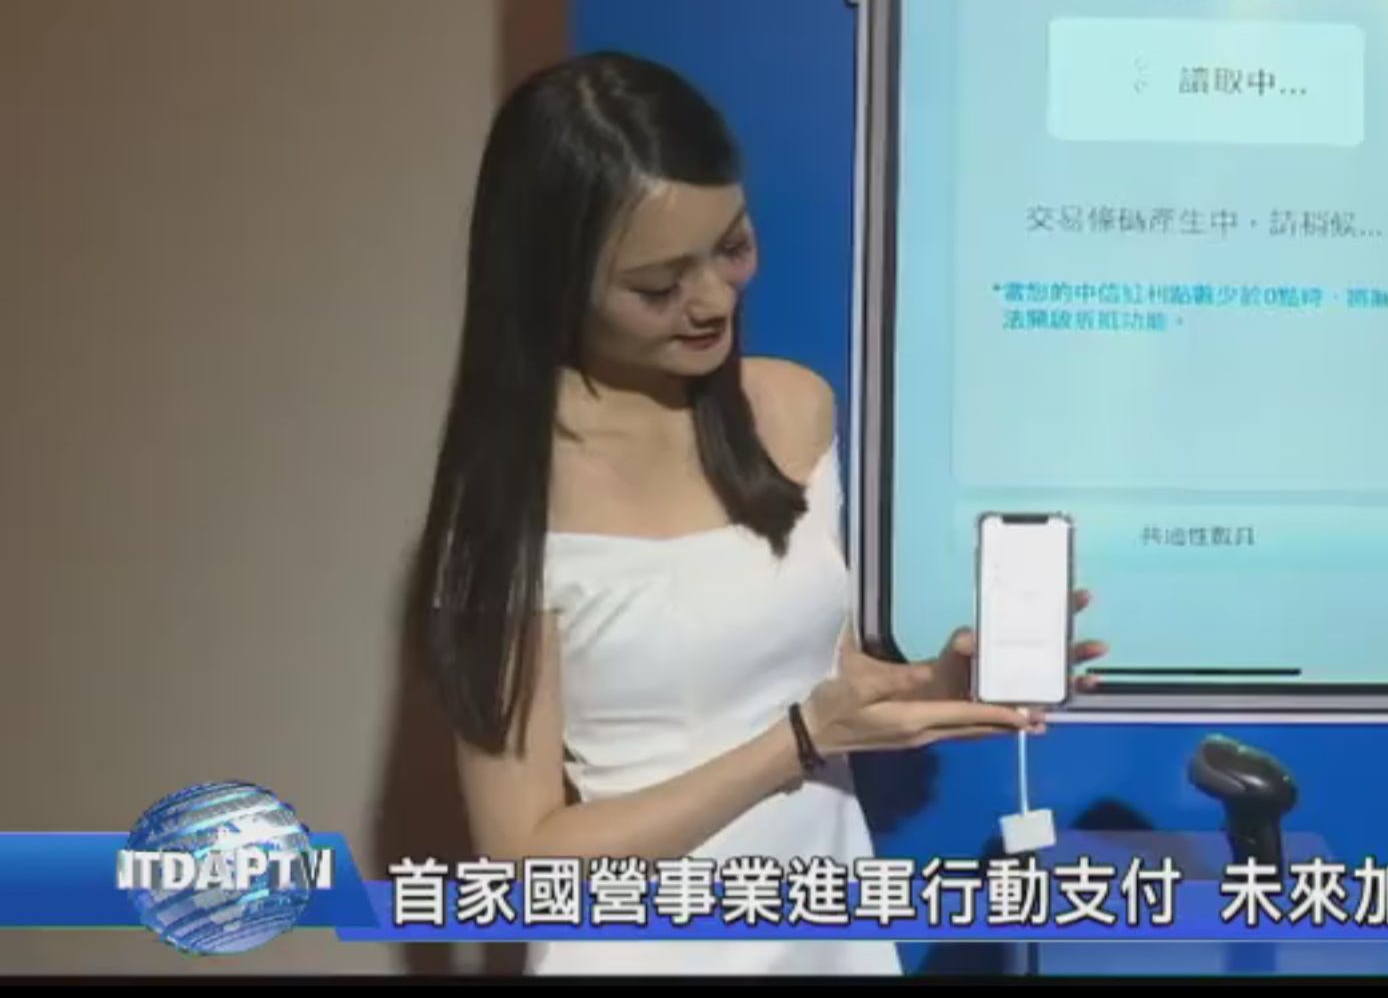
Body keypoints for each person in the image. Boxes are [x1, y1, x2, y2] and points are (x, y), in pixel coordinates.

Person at [400, 52, 1106, 976]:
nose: (713, 300)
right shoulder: (510, 500)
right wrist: (799, 743)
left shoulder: (792, 408)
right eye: (659, 286)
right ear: (555, 283)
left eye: (731, 247)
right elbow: (524, 862)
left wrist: (930, 687)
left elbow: (798, 668)